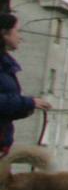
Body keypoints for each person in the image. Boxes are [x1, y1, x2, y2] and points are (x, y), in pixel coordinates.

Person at [1, 12, 52, 159]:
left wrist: (27, 106)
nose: (20, 37)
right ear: (4, 33)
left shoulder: (6, 65)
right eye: (17, 31)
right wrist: (28, 102)